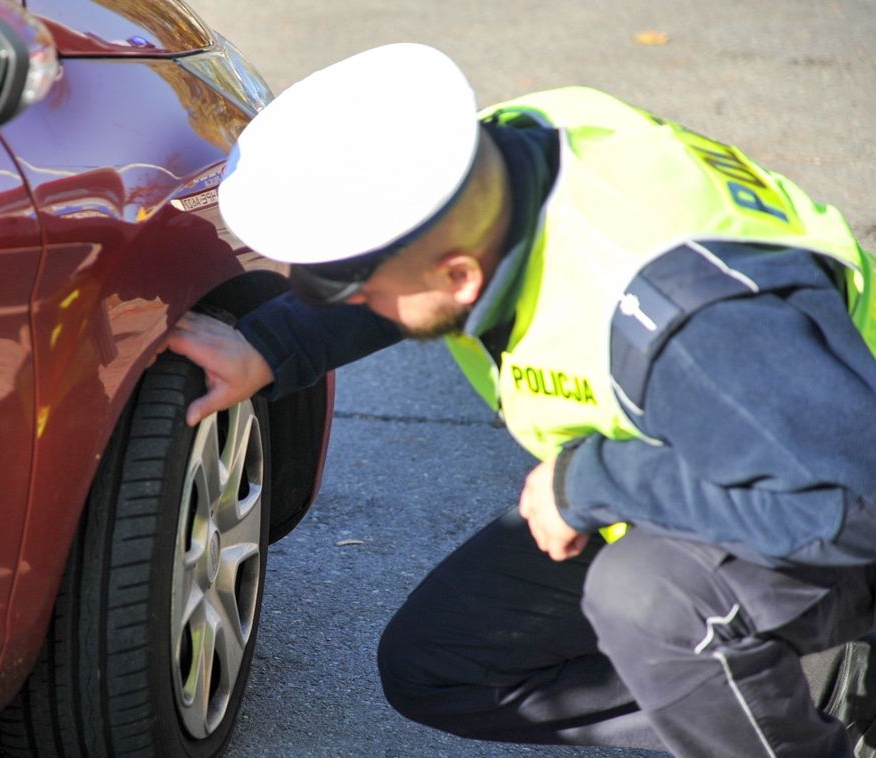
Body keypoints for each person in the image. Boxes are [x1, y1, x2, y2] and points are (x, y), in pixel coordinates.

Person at [165, 43, 876, 757]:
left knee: (648, 600)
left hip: (831, 489)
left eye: (354, 292)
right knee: (443, 665)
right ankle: (803, 686)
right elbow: (406, 258)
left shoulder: (678, 315)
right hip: (738, 449)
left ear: (460, 276)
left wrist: (588, 483)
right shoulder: (509, 153)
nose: (341, 302)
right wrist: (270, 345)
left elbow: (848, 505)